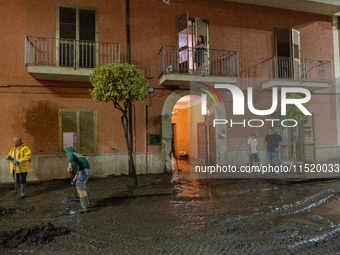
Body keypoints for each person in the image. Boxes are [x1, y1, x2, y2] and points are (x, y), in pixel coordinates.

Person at [66, 146, 91, 212]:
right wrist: (74, 179)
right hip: (88, 171)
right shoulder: (78, 156)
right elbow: (78, 169)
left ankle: (84, 208)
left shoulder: (70, 153)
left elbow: (70, 156)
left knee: (80, 189)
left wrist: (69, 166)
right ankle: (87, 201)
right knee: (83, 186)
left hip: (83, 171)